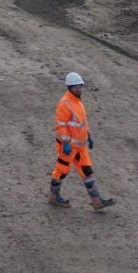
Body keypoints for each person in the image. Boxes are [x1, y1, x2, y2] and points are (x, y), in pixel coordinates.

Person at [49, 71, 115, 211]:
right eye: (76, 87)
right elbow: (61, 126)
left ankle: (97, 201)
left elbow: (83, 121)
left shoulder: (78, 102)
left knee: (87, 172)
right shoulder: (65, 103)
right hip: (68, 147)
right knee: (61, 171)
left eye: (80, 86)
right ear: (70, 88)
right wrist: (65, 143)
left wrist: (89, 135)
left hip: (80, 146)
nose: (79, 89)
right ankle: (53, 197)